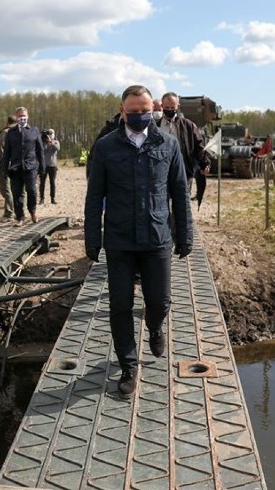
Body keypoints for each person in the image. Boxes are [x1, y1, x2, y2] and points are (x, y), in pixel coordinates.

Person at [84, 85, 193, 396]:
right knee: (120, 305)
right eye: (133, 112)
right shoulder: (106, 147)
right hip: (119, 239)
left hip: (158, 236)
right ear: (122, 111)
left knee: (159, 300)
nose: (140, 116)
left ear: (153, 110)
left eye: (145, 111)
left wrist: (184, 234)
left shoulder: (168, 144)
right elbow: (94, 197)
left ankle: (156, 327)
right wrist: (92, 237)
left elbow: (180, 193)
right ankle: (129, 365)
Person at [0, 106, 44, 226]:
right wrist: (4, 168)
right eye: (20, 116)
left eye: (24, 116)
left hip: (30, 167)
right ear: (16, 117)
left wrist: (42, 167)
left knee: (32, 190)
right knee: (17, 193)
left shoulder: (34, 130)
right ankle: (20, 217)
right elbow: (7, 152)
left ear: (27, 117)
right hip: (15, 168)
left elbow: (40, 150)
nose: (22, 118)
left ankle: (32, 211)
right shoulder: (11, 133)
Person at [159, 91, 210, 193]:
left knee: (183, 205)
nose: (169, 110)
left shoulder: (188, 126)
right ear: (162, 106)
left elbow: (198, 146)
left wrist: (205, 163)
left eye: (172, 108)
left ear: (178, 106)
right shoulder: (155, 126)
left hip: (183, 171)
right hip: (161, 172)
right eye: (167, 108)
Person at [0, 115, 17, 219]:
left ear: (7, 122)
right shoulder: (20, 131)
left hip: (5, 164)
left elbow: (0, 148)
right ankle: (18, 210)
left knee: (5, 188)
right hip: (17, 164)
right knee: (16, 188)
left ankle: (9, 212)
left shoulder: (6, 132)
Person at [38, 129, 60, 205]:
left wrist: (51, 142)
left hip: (52, 165)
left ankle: (52, 198)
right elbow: (40, 151)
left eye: (51, 133)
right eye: (48, 133)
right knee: (42, 183)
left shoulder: (56, 142)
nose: (49, 135)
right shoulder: (43, 142)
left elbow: (57, 148)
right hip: (44, 165)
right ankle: (41, 198)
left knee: (52, 182)